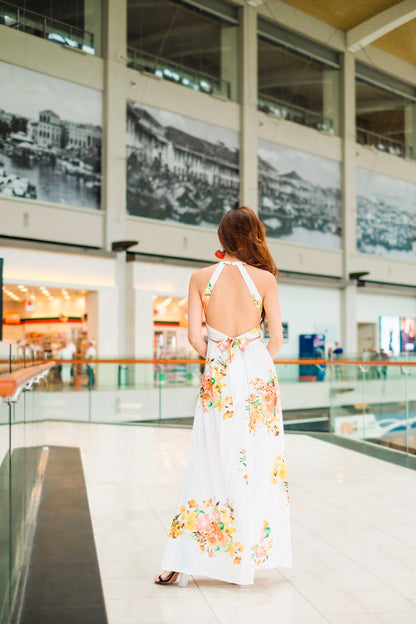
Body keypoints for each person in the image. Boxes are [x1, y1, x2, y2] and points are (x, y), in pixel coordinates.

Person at [153, 206, 292, 587]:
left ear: (221, 238)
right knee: (259, 462)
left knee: (209, 457)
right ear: (254, 236)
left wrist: (222, 359)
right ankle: (249, 552)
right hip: (258, 379)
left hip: (219, 376)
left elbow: (196, 339)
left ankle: (183, 557)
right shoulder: (265, 279)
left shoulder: (199, 277)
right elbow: (276, 339)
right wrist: (254, 364)